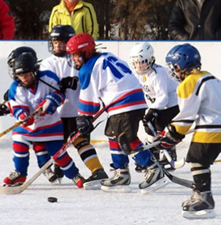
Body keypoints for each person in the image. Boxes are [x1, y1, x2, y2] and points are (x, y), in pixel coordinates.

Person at [66, 33, 168, 193]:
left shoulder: (87, 69)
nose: (74, 60)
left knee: (126, 138)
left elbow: (88, 102)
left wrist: (83, 118)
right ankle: (121, 173)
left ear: (86, 52)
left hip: (124, 103)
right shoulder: (107, 56)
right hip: (134, 99)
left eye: (76, 55)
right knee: (112, 134)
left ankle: (153, 168)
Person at [158, 43, 221, 219]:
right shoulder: (210, 77)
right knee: (199, 160)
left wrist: (172, 133)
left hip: (211, 127)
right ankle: (201, 194)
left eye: (174, 67)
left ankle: (204, 198)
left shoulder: (188, 83)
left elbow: (187, 115)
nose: (174, 72)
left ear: (181, 65)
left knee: (196, 160)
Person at [2, 49, 85, 188]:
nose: (24, 78)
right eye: (20, 75)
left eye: (27, 74)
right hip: (27, 127)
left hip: (50, 124)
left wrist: (50, 102)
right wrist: (23, 116)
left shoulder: (48, 78)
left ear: (34, 71)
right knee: (18, 142)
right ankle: (20, 173)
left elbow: (59, 94)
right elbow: (17, 106)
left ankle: (75, 175)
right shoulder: (16, 87)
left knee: (58, 153)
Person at [39, 25, 108, 188]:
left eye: (61, 42)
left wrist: (77, 82)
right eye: (55, 42)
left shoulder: (78, 59)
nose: (57, 46)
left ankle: (97, 170)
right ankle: (58, 169)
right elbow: (45, 84)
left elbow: (89, 80)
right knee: (56, 144)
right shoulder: (48, 63)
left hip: (78, 112)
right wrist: (59, 84)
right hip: (56, 114)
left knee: (82, 142)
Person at [0, 46, 63, 184]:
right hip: (33, 121)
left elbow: (55, 93)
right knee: (30, 139)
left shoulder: (44, 78)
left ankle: (47, 167)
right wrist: (4, 108)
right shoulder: (19, 83)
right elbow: (18, 103)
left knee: (44, 142)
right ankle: (44, 168)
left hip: (49, 118)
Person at [128, 41, 179, 170]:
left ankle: (169, 153)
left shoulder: (157, 73)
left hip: (174, 103)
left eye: (143, 62)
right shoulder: (137, 75)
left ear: (150, 59)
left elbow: (163, 97)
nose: (140, 66)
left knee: (159, 125)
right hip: (160, 105)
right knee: (150, 128)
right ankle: (153, 155)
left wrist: (152, 111)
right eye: (136, 63)